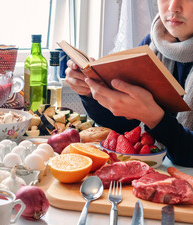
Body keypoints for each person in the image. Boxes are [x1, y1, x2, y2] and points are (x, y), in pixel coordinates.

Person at [64, 0, 193, 167]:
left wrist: (154, 118)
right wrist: (89, 90)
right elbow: (125, 125)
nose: (173, 6)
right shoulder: (153, 43)